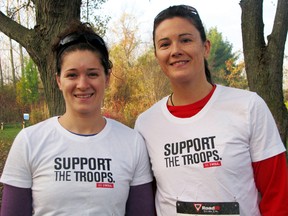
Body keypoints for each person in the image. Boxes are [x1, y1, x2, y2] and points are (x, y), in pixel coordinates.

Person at [134, 5, 288, 216]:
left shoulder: (248, 106)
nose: (175, 50)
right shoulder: (146, 123)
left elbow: (277, 194)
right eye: (165, 44)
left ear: (205, 47)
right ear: (157, 55)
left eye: (186, 40)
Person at [0, 20, 155, 216]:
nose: (82, 84)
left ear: (106, 78)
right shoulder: (29, 141)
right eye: (72, 75)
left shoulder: (132, 142)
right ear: (58, 80)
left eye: (92, 74)